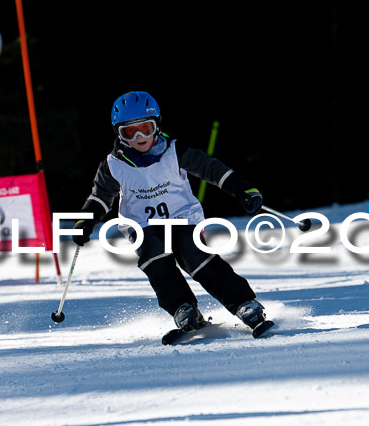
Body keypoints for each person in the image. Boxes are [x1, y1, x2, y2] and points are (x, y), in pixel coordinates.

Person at [72, 91, 268, 332]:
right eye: (130, 132)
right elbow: (100, 197)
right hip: (141, 225)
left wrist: (242, 189)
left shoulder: (175, 151)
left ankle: (244, 303)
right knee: (155, 258)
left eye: (145, 127)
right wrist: (85, 222)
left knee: (195, 255)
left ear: (157, 125)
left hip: (182, 218)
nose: (140, 136)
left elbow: (211, 169)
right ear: (119, 134)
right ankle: (184, 309)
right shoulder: (114, 165)